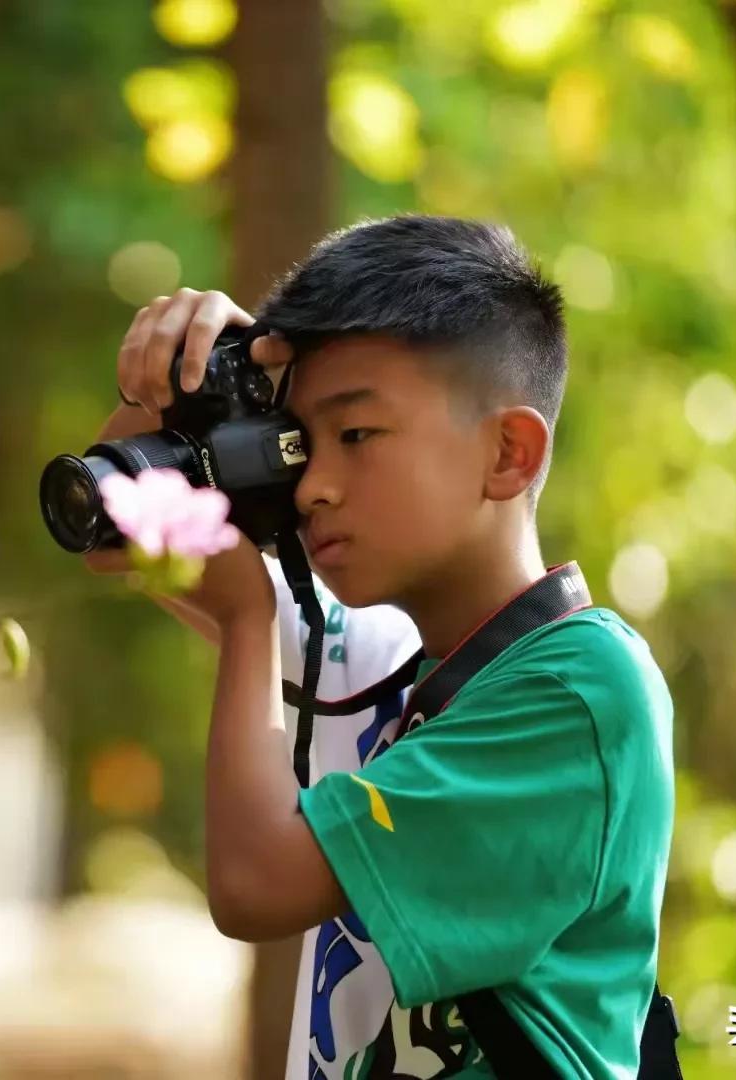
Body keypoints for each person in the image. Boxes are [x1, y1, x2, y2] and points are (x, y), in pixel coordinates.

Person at [86, 215, 674, 1079]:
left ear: (507, 453)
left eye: (355, 435)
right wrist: (179, 387)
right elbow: (111, 529)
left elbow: (255, 887)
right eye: (298, 445)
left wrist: (248, 621)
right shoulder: (389, 663)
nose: (312, 488)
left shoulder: (577, 689)